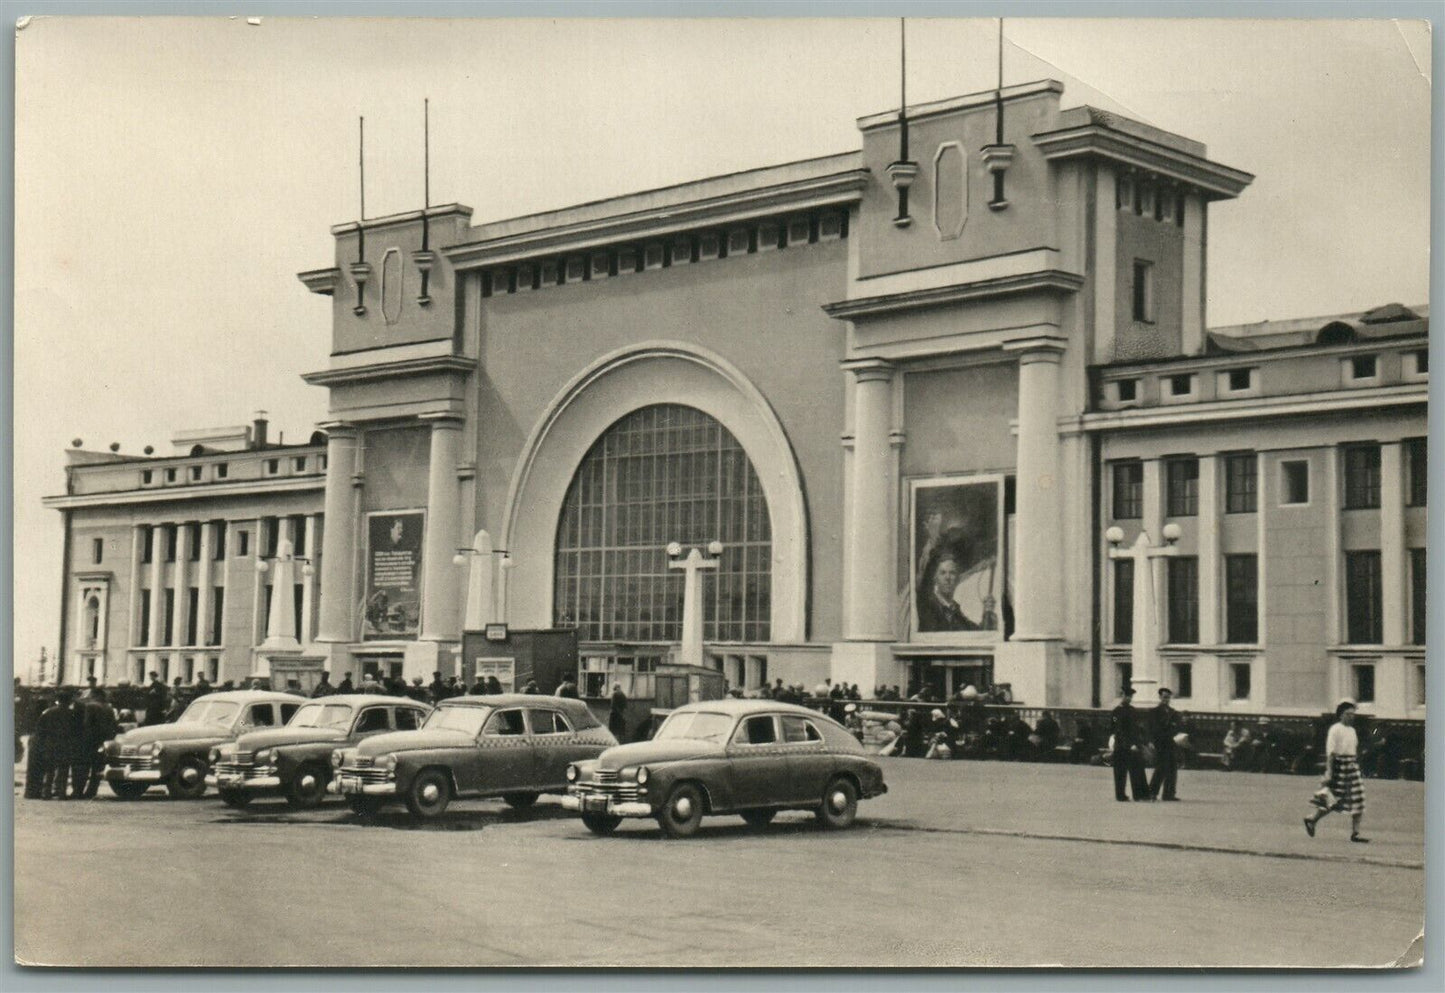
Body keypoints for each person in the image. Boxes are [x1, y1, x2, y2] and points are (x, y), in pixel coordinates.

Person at [1304, 701, 1369, 843]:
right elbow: (1331, 753)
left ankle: (1356, 833)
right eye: (1347, 714)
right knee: (1332, 800)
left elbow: (1354, 750)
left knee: (1358, 799)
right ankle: (1312, 819)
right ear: (1340, 715)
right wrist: (1329, 772)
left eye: (1353, 714)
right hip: (1339, 766)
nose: (1351, 717)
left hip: (1351, 766)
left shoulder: (1352, 731)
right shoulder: (1335, 729)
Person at [916, 552, 981, 632]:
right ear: (935, 578)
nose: (947, 577)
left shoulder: (956, 612)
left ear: (957, 579)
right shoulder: (927, 609)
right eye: (943, 573)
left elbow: (973, 631)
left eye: (952, 573)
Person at [77, 688, 119, 799]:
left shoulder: (90, 706)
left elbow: (86, 724)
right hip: (103, 741)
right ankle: (92, 791)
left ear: (94, 695)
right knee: (97, 767)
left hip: (90, 740)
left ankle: (79, 791)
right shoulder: (109, 708)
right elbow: (114, 725)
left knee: (84, 766)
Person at [1110, 687, 1148, 801]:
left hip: (1133, 744)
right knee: (1120, 772)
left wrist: (1140, 742)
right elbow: (1118, 730)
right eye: (1127, 696)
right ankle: (1120, 795)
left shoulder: (1132, 710)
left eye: (1130, 696)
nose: (1129, 698)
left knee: (1136, 770)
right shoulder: (1116, 711)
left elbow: (1137, 729)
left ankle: (1138, 794)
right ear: (1122, 696)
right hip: (1122, 745)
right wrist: (1129, 744)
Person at [1148, 688, 1184, 801]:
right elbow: (1151, 728)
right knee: (1161, 767)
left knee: (1172, 767)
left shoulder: (1173, 712)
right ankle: (1152, 792)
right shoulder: (1154, 712)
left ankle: (1169, 794)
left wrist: (1174, 730)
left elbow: (1177, 726)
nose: (1166, 700)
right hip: (1159, 743)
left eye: (1168, 697)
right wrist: (1151, 741)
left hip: (1170, 742)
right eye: (1164, 697)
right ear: (1160, 697)